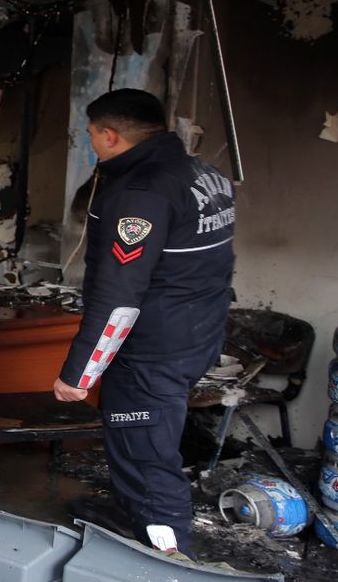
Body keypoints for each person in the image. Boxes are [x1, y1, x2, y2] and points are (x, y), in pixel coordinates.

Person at [53, 88, 236, 558]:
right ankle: (137, 518)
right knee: (140, 440)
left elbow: (119, 295)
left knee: (146, 452)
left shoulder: (140, 194)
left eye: (91, 135)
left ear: (111, 135)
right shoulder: (203, 172)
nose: (90, 143)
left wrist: (79, 373)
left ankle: (167, 553)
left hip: (153, 347)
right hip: (197, 331)